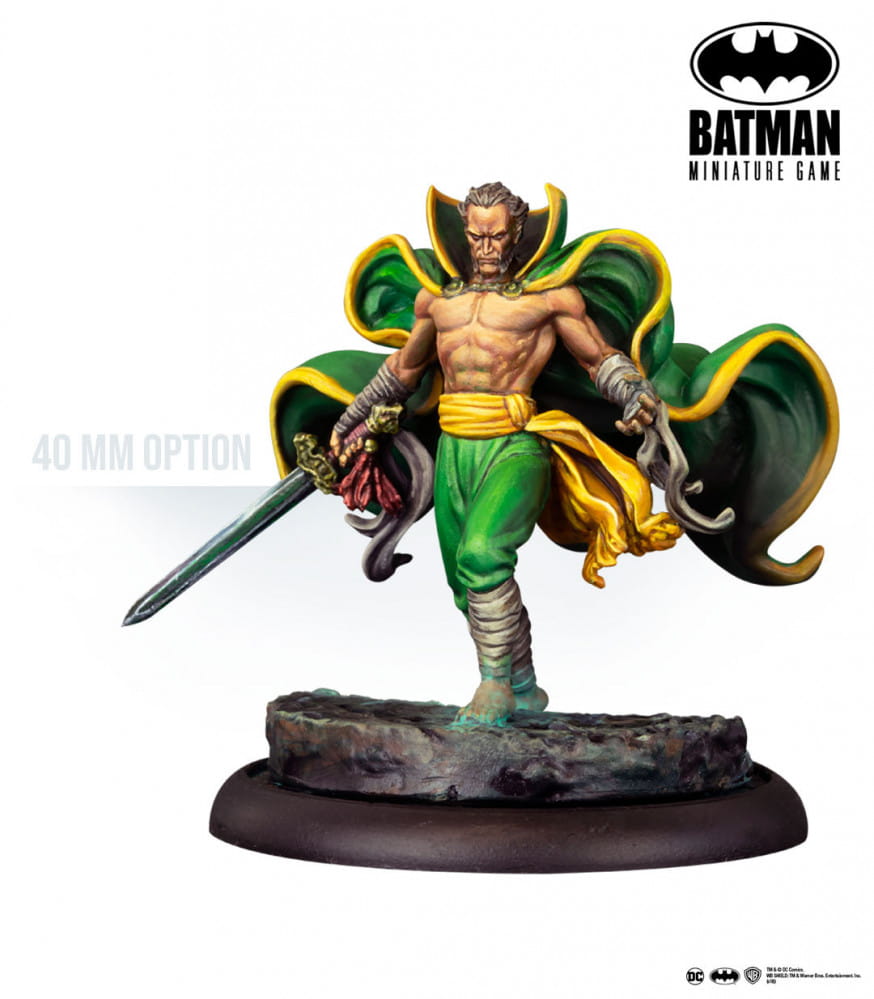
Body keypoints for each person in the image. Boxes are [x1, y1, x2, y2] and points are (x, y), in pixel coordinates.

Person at [329, 183, 680, 724]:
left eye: (496, 236)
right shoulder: (438, 303)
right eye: (477, 236)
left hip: (514, 445)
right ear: (464, 233)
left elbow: (597, 359)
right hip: (453, 450)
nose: (486, 248)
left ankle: (493, 686)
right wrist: (352, 418)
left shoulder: (548, 299)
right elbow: (404, 369)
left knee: (482, 555)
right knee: (463, 585)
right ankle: (522, 685)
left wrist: (633, 392)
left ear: (517, 234)